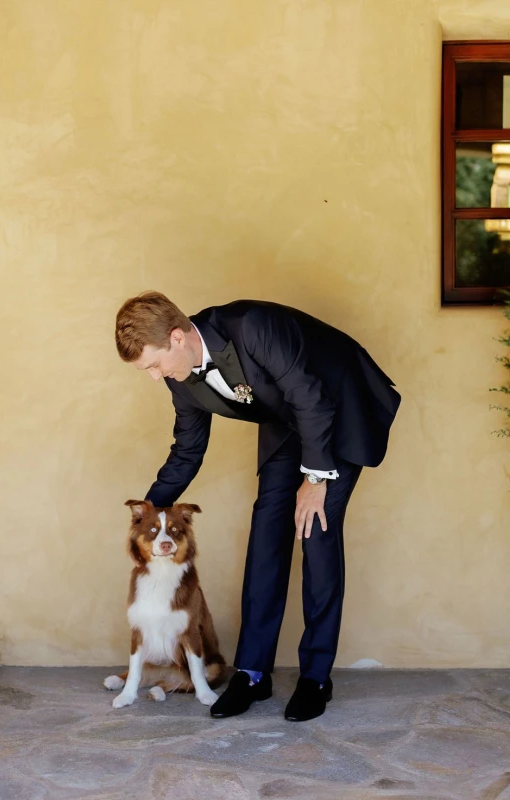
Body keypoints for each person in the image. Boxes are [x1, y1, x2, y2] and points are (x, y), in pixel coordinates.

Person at [115, 292, 400, 721]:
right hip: (288, 420)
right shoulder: (181, 379)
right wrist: (148, 515)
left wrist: (315, 478)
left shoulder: (253, 327)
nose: (155, 377)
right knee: (267, 533)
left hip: (336, 408)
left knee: (316, 533)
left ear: (177, 338)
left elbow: (311, 396)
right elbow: (187, 451)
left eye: (154, 365)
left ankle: (316, 678)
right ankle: (252, 674)